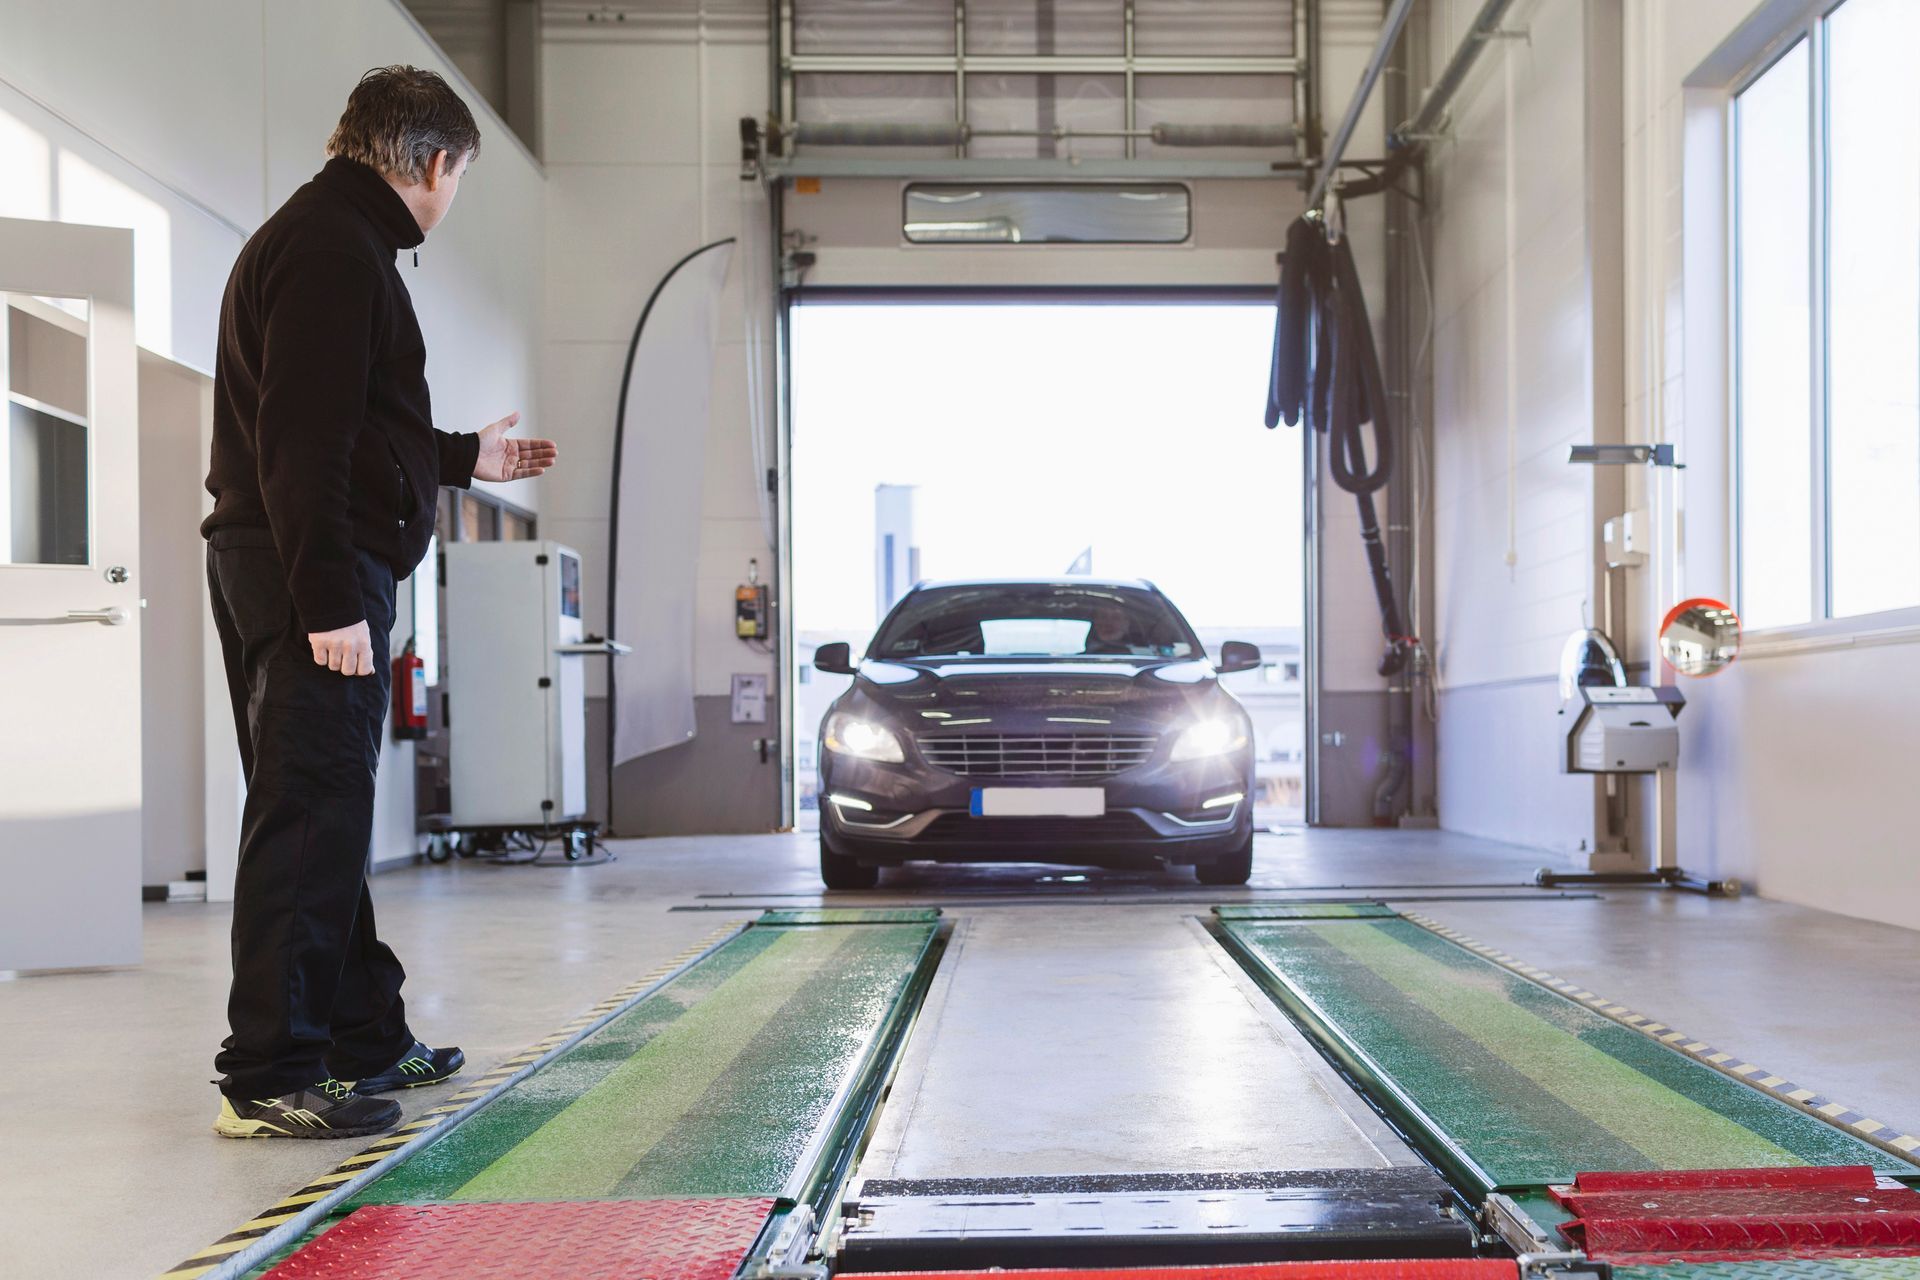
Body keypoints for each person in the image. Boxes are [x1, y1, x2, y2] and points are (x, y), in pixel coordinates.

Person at [201, 66, 556, 1139]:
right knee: (308, 817)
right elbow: (301, 441)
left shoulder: (327, 240)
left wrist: (461, 454)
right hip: (311, 569)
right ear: (439, 164)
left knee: (326, 813)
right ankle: (269, 1070)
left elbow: (347, 422)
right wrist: (329, 601)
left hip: (303, 559)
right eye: (461, 180)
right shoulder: (331, 252)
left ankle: (360, 1033)